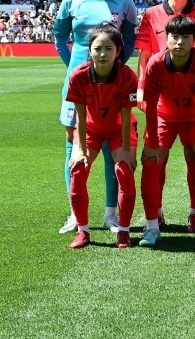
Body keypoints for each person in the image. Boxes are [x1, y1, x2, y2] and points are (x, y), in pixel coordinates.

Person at [54, 0, 137, 235]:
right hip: (79, 81)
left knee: (110, 144)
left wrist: (114, 70)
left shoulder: (124, 2)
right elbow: (59, 38)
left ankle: (110, 213)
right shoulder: (71, 0)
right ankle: (76, 214)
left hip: (112, 83)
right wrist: (74, 68)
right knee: (74, 145)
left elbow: (128, 43)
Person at [135, 0, 195, 233]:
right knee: (157, 159)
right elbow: (145, 55)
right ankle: (156, 212)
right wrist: (141, 87)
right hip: (162, 101)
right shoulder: (151, 14)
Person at [65, 23, 139, 249]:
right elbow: (80, 114)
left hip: (120, 129)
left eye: (109, 48)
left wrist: (127, 150)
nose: (103, 53)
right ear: (90, 50)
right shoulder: (78, 75)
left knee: (124, 171)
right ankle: (83, 230)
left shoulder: (127, 76)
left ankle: (124, 232)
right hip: (91, 129)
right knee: (78, 170)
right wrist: (80, 148)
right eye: (98, 48)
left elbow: (127, 116)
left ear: (118, 51)